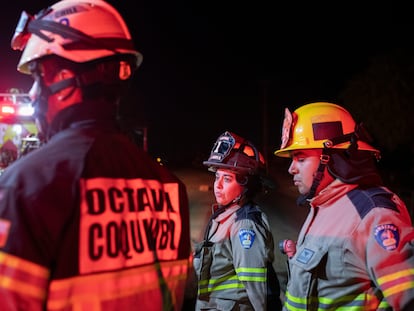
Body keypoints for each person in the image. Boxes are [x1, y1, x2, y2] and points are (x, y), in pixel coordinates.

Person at [0, 0, 192, 310]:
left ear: (63, 81)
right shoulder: (169, 187)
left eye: (38, 79)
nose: (33, 94)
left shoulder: (24, 187)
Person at [274, 102, 414, 310]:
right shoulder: (322, 207)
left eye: (300, 159)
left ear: (332, 158)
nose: (291, 169)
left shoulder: (375, 214)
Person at [193, 131, 282, 310]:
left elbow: (256, 288)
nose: (217, 185)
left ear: (246, 185)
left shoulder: (245, 224)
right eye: (217, 177)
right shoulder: (222, 217)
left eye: (227, 179)